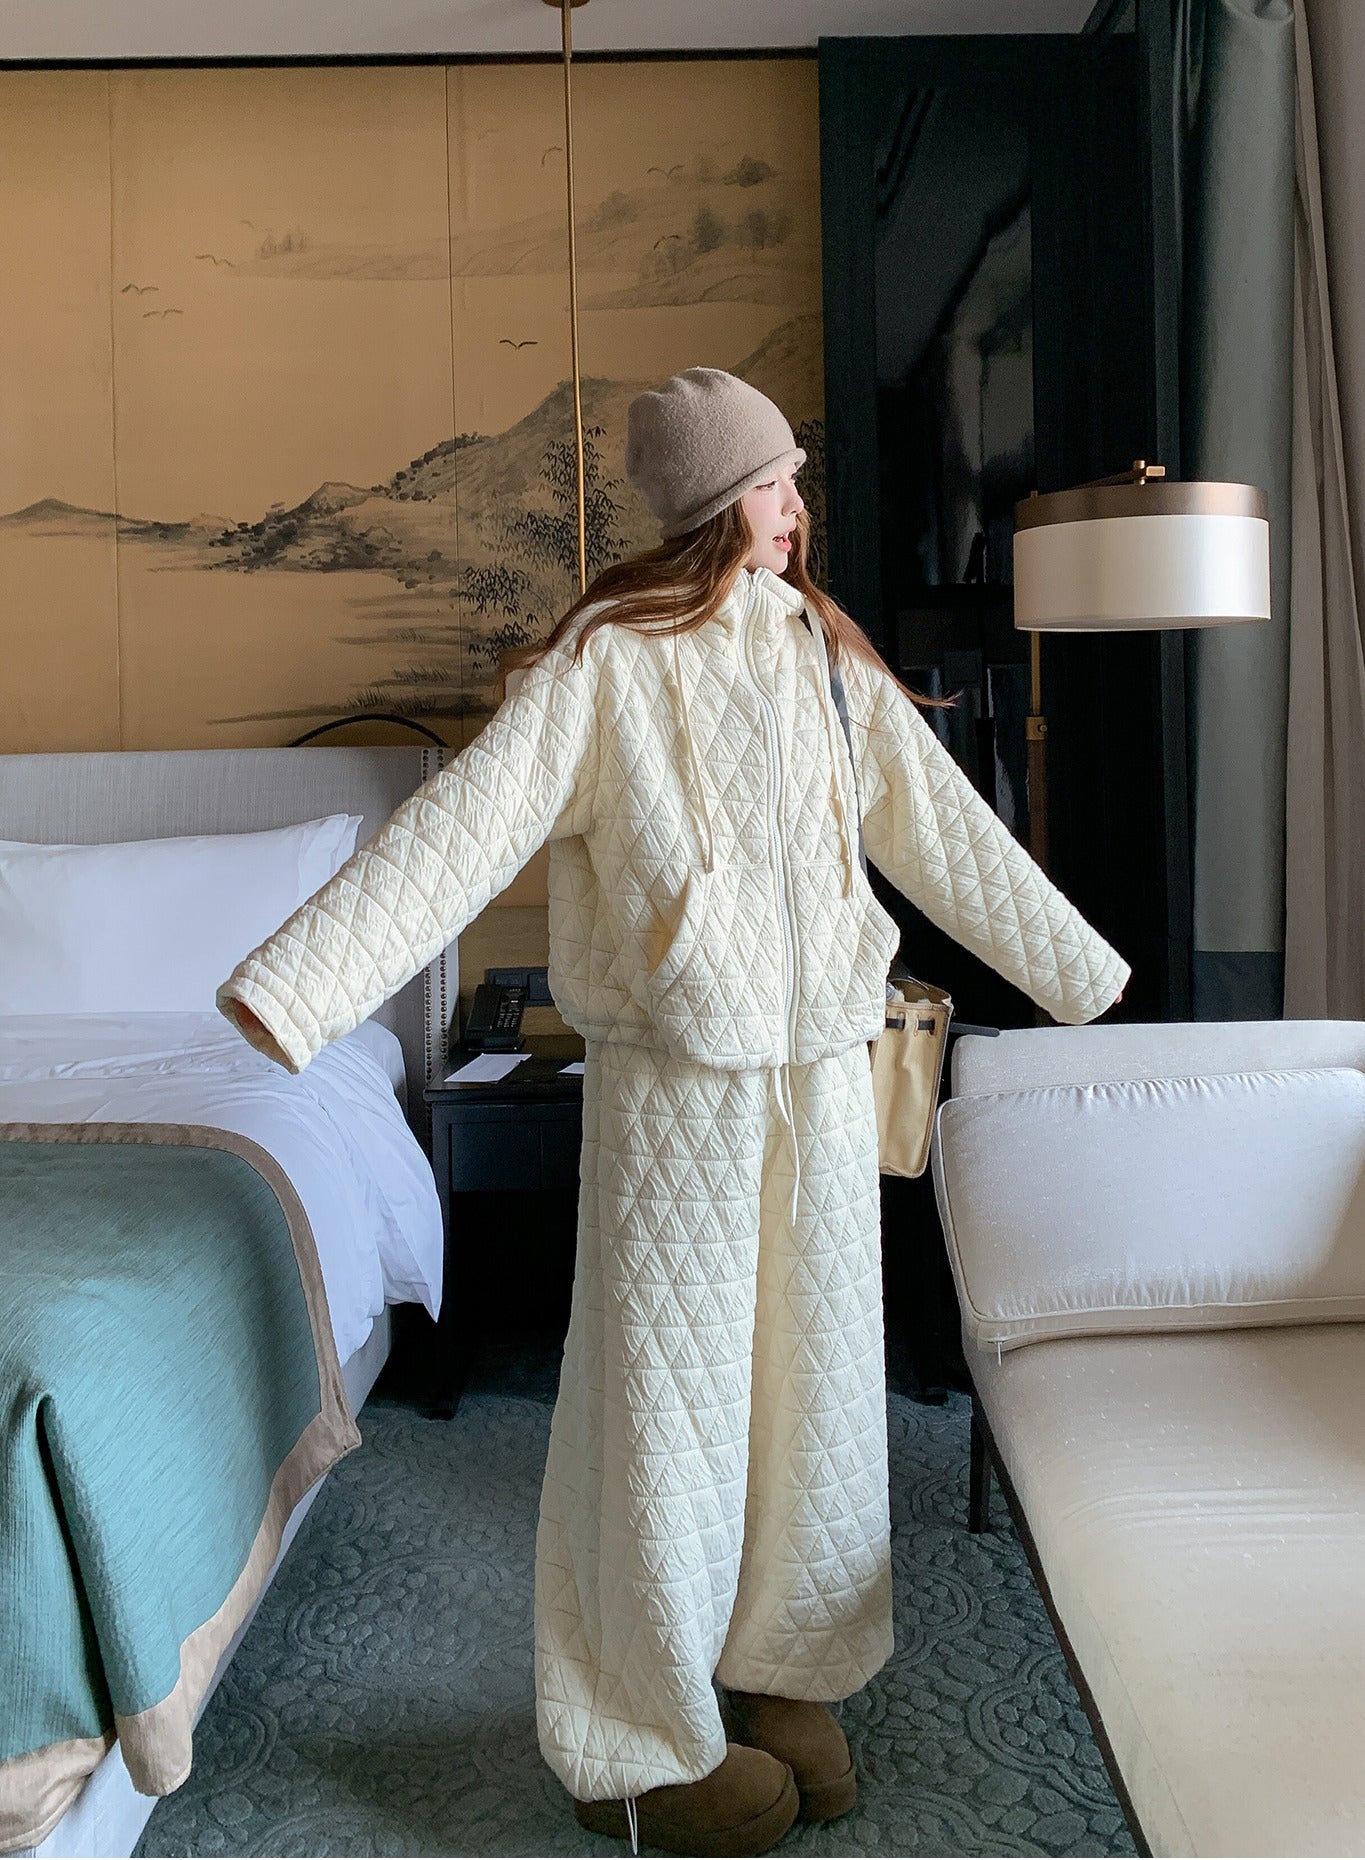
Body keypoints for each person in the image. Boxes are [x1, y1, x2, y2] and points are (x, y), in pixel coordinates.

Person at [219, 366, 1129, 1857]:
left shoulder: (820, 652)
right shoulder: (606, 664)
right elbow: (458, 835)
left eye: (792, 479)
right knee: (665, 1418)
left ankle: (781, 1675)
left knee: (817, 1403)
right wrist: (293, 991)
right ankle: (632, 1742)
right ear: (717, 501)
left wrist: (1080, 977)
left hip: (821, 1075)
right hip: (674, 1091)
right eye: (772, 482)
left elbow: (943, 832)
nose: (796, 506)